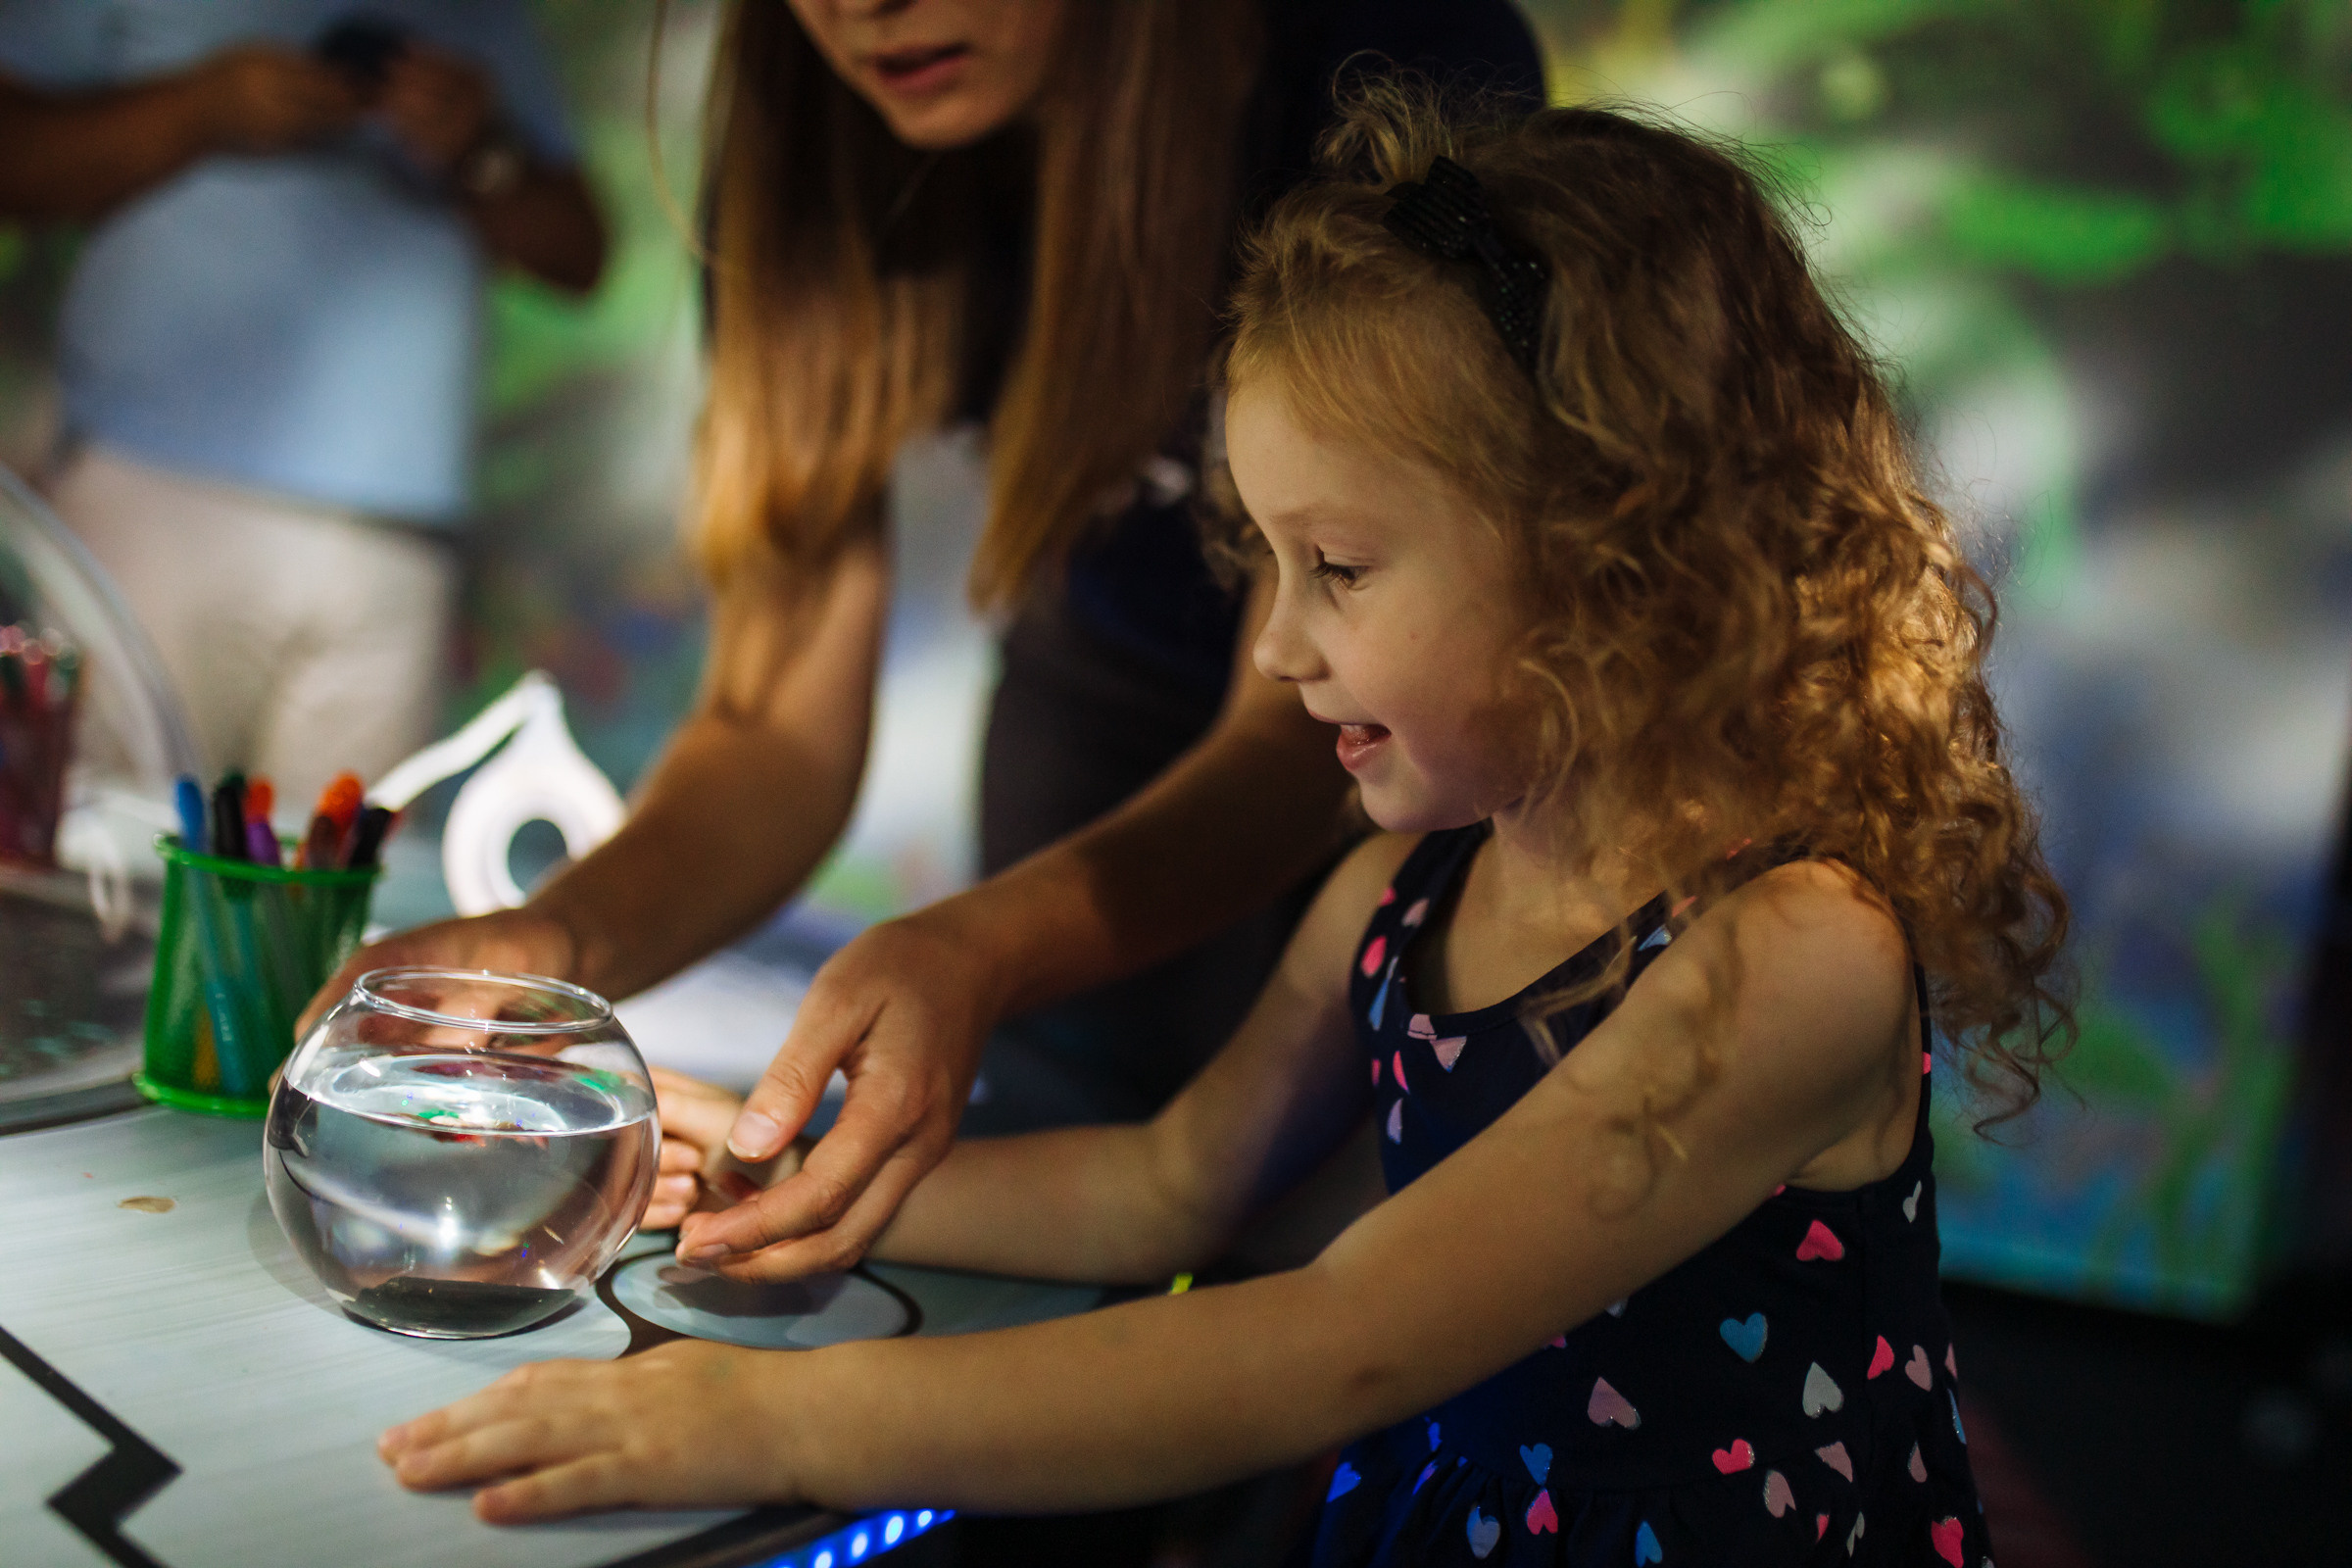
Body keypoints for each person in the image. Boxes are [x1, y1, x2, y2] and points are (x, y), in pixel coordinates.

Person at [375, 90, 2073, 1566]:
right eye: (1268, 560)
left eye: (1339, 567)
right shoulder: (1403, 895)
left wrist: (776, 1423)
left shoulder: (1793, 958)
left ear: (1612, 551)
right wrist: (790, 1173)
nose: (1275, 649)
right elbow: (1164, 1192)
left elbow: (1342, 1339)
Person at [310, 0, 1544, 1277]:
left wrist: (983, 945)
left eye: (1332, 564)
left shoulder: (1388, 62)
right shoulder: (817, 128)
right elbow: (773, 723)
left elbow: (1299, 724)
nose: (865, 10)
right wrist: (549, 945)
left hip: (1390, 785)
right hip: (1092, 739)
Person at [0, 3, 604, 807]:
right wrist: (200, 109)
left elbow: (582, 251)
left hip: (396, 542)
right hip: (150, 496)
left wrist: (483, 149)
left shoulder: (486, 14)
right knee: (102, 855)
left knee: (339, 880)